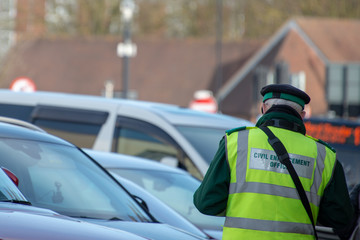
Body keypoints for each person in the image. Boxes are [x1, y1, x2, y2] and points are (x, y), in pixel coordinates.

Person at [193, 84, 356, 240]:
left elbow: (206, 203)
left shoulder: (235, 142)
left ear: (263, 108)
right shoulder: (323, 155)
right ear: (302, 115)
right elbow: (341, 219)